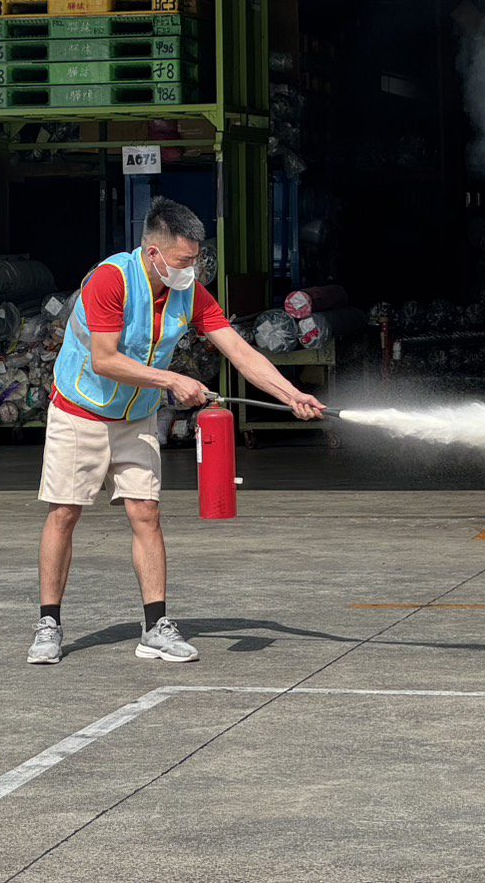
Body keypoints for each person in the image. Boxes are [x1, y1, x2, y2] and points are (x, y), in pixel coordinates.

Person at [28, 198, 325, 665]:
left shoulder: (190, 292)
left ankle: (155, 627)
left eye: (195, 260)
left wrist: (290, 395)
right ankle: (49, 624)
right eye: (183, 261)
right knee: (64, 512)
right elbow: (105, 358)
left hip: (136, 417)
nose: (191, 270)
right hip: (79, 412)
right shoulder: (111, 281)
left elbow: (239, 351)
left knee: (147, 514)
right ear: (153, 253)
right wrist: (172, 381)